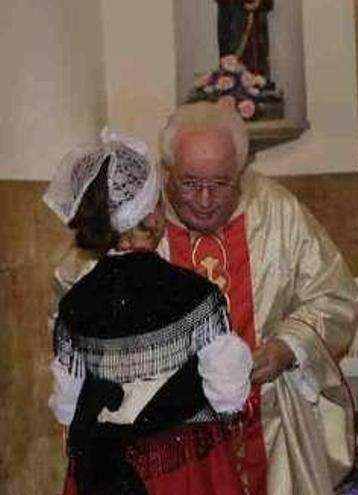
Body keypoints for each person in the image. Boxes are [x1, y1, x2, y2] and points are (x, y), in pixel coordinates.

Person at [157, 102, 358, 494]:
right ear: (166, 171)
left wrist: (287, 346)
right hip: (169, 433)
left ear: (241, 171)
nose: (203, 200)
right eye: (188, 183)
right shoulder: (141, 222)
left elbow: (335, 297)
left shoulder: (278, 211)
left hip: (266, 420)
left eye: (220, 184)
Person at [45, 130, 253, 494]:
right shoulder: (193, 293)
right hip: (181, 469)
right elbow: (228, 393)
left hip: (100, 470)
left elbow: (67, 403)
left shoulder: (76, 302)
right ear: (152, 214)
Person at [216, 0, 273, 77]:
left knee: (258, 76)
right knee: (232, 75)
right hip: (233, 28)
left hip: (256, 32)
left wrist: (259, 2)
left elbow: (268, 4)